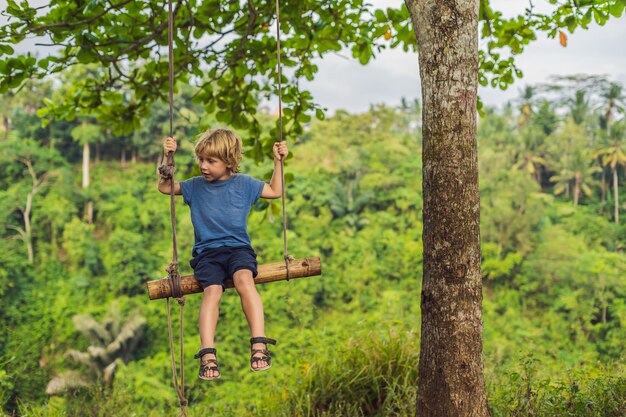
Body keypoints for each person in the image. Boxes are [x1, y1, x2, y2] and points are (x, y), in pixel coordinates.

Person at [158, 128, 288, 380]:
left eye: (210, 161)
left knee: (244, 280)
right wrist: (168, 158)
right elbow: (164, 187)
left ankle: (259, 344)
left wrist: (278, 162)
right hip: (207, 254)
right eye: (201, 160)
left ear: (229, 162)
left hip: (239, 249)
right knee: (213, 291)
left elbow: (275, 191)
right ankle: (208, 353)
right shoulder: (194, 186)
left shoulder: (245, 184)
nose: (203, 166)